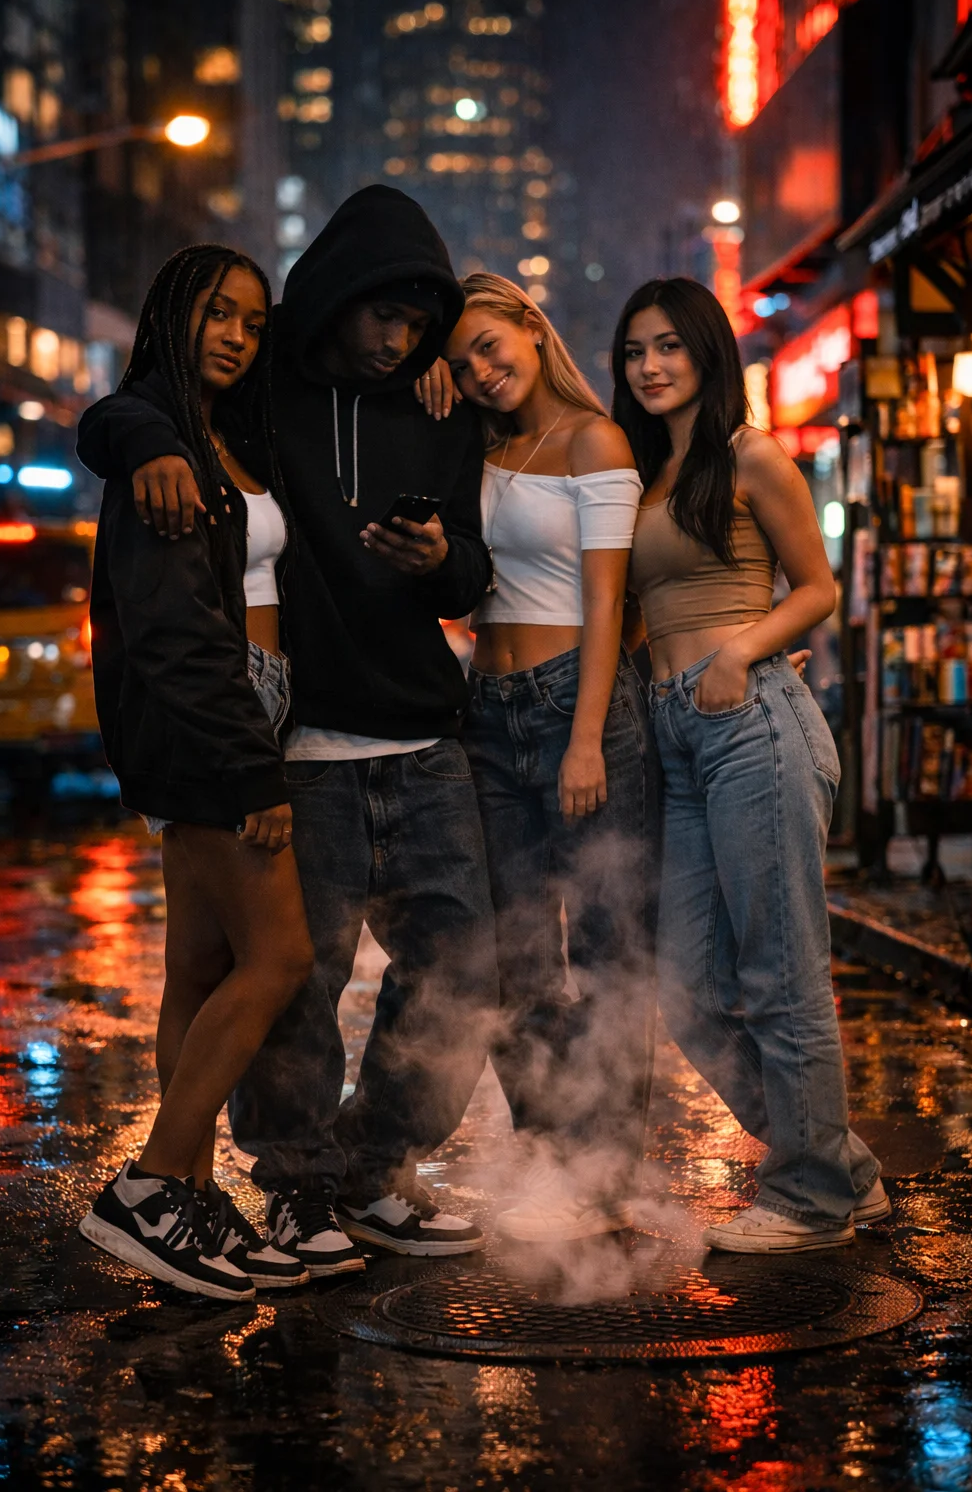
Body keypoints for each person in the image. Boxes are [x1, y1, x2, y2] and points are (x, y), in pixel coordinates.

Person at [78, 188, 498, 1271]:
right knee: (292, 981)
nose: (397, 340)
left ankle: (366, 1171)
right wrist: (144, 442)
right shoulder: (267, 393)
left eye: (418, 323)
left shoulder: (444, 404)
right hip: (296, 742)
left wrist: (438, 562)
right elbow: (128, 408)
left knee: (460, 965)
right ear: (338, 298)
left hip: (420, 737)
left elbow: (471, 565)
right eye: (383, 315)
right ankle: (287, 1190)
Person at [613, 276, 886, 1252]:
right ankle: (838, 1168)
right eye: (634, 350)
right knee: (687, 990)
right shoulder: (646, 474)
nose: (650, 366)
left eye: (668, 346)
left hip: (749, 722)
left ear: (707, 352)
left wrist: (740, 653)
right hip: (678, 736)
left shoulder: (749, 454)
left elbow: (815, 587)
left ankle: (810, 1199)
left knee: (779, 973)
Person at [76, 245, 315, 1300]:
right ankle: (154, 1184)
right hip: (214, 728)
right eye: (218, 313)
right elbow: (174, 636)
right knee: (281, 957)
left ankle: (194, 1197)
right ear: (172, 314)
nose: (237, 336)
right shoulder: (161, 443)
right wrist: (250, 769)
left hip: (233, 717)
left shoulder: (222, 434)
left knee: (201, 971)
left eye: (254, 322)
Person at [440, 274, 657, 1243]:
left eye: (488, 346)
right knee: (516, 953)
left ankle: (602, 1174)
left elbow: (608, 601)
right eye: (460, 364)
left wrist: (585, 738)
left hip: (579, 702)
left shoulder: (593, 441)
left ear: (531, 324)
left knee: (607, 947)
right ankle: (547, 1159)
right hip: (487, 710)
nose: (480, 372)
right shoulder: (480, 450)